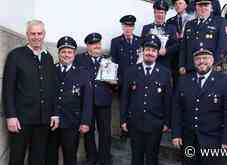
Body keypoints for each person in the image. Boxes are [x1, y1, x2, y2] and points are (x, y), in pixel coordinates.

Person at [2, 20, 59, 165]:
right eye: (32, 33)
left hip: (43, 119)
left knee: (38, 158)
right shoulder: (15, 56)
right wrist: (11, 116)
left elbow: (52, 88)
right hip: (21, 119)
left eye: (39, 33)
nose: (36, 37)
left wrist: (54, 113)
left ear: (44, 35)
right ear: (27, 35)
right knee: (16, 157)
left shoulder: (48, 57)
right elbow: (8, 88)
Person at [172, 48, 227, 165]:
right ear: (194, 62)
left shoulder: (225, 80)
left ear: (212, 60)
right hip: (189, 141)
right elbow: (176, 109)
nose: (201, 61)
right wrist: (176, 134)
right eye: (198, 59)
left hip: (214, 141)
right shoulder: (184, 80)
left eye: (205, 58)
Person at [120, 34, 172, 165]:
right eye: (148, 50)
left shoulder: (165, 73)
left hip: (155, 123)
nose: (150, 53)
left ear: (157, 53)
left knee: (152, 158)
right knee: (136, 157)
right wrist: (123, 119)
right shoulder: (131, 71)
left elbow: (167, 100)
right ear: (142, 51)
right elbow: (125, 98)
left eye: (154, 50)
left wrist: (166, 121)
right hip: (135, 122)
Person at [46, 36, 93, 165]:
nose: (66, 55)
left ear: (74, 54)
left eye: (69, 52)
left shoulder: (83, 73)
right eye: (63, 52)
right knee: (50, 155)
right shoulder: (50, 70)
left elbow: (87, 100)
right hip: (51, 122)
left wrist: (85, 122)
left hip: (72, 122)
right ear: (59, 53)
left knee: (70, 156)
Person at [75, 33, 114, 165]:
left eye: (98, 43)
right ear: (87, 46)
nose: (97, 46)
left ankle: (105, 158)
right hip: (86, 102)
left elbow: (115, 81)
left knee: (105, 132)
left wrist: (115, 82)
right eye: (93, 44)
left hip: (103, 101)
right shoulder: (79, 59)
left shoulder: (107, 60)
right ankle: (91, 157)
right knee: (88, 131)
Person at [179, 0, 227, 75]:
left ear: (211, 7)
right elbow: (183, 47)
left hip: (210, 66)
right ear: (196, 7)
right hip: (191, 67)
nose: (203, 8)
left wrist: (217, 62)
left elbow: (223, 44)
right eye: (200, 5)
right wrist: (182, 65)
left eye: (206, 5)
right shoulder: (189, 24)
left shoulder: (220, 22)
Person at [141, 0, 177, 70]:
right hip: (148, 64)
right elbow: (141, 45)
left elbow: (175, 46)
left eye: (162, 13)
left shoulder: (171, 28)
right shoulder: (146, 28)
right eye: (157, 12)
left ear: (165, 14)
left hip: (164, 65)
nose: (159, 15)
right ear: (154, 13)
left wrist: (166, 51)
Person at [110, 15, 141, 86]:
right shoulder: (115, 41)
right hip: (122, 80)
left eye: (130, 26)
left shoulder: (140, 41)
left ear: (133, 27)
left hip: (137, 79)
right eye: (125, 26)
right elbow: (113, 61)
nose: (128, 29)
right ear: (122, 27)